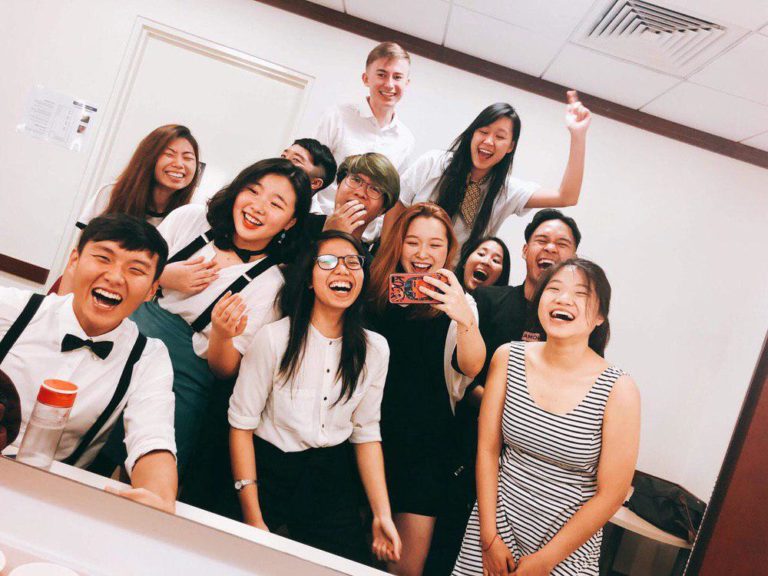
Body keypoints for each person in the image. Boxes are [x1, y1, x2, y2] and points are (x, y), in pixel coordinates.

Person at [95, 158, 311, 480]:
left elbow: (224, 370)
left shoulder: (271, 286)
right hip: (123, 344)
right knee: (85, 445)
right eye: (253, 191)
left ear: (290, 222)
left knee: (144, 478)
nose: (258, 207)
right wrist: (164, 276)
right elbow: (122, 277)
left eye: (276, 204)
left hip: (181, 380)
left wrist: (223, 334)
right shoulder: (189, 219)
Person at [453, 258, 641, 576]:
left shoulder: (618, 390)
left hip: (566, 553)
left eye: (580, 294)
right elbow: (487, 450)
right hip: (493, 535)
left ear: (599, 316)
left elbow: (612, 494)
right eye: (553, 289)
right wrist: (488, 538)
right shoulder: (508, 357)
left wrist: (545, 560)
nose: (563, 299)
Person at [229, 231, 401, 564]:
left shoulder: (375, 349)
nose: (343, 270)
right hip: (266, 468)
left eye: (354, 262)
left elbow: (366, 433)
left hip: (329, 474)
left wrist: (382, 515)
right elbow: (240, 427)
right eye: (327, 262)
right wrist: (253, 518)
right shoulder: (274, 339)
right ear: (309, 279)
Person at [0, 215, 177, 512]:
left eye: (136, 270)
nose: (116, 277)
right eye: (103, 258)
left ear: (151, 290)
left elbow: (152, 437)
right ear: (74, 260)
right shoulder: (11, 309)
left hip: (55, 500)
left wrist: (159, 499)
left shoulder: (148, 357)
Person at [366, 202, 486, 576]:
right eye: (412, 242)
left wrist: (464, 317)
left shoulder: (460, 303)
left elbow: (472, 365)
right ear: (397, 245)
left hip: (423, 451)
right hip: (360, 439)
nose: (422, 254)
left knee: (403, 567)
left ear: (449, 251)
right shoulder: (372, 290)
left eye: (434, 245)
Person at [383, 93, 590, 251]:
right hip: (401, 266)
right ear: (472, 133)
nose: (488, 141)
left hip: (450, 285)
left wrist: (578, 135)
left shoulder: (507, 191)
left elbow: (566, 197)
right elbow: (397, 207)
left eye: (500, 137)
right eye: (483, 132)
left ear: (510, 146)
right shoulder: (433, 163)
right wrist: (384, 257)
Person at [314, 41, 415, 241]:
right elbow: (309, 175)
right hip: (319, 227)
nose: (389, 84)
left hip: (362, 241)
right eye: (381, 74)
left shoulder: (406, 140)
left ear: (406, 84)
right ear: (366, 78)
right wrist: (317, 222)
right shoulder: (338, 116)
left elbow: (391, 199)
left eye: (397, 77)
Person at [77, 124, 200, 229]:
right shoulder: (112, 193)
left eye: (188, 158)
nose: (179, 164)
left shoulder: (190, 215)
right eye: (169, 154)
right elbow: (84, 249)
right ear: (148, 158)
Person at [304, 153, 400, 251]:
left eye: (375, 189)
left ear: (382, 210)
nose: (361, 193)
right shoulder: (298, 223)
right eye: (356, 179)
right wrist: (328, 234)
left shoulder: (366, 264)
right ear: (339, 184)